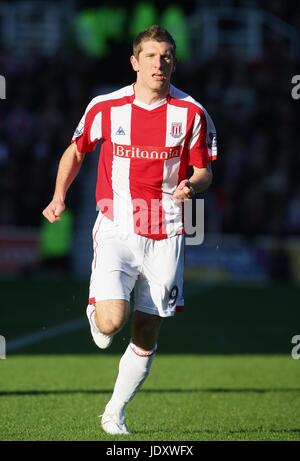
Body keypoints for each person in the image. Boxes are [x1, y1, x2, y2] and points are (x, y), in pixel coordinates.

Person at [42, 25, 217, 435]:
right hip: (117, 225)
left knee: (148, 327)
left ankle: (114, 412)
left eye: (167, 56)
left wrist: (191, 185)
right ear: (135, 63)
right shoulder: (106, 107)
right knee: (110, 323)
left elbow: (205, 170)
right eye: (152, 56)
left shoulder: (191, 113)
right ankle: (96, 313)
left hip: (169, 230)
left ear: (174, 61)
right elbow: (76, 150)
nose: (160, 64)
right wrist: (58, 196)